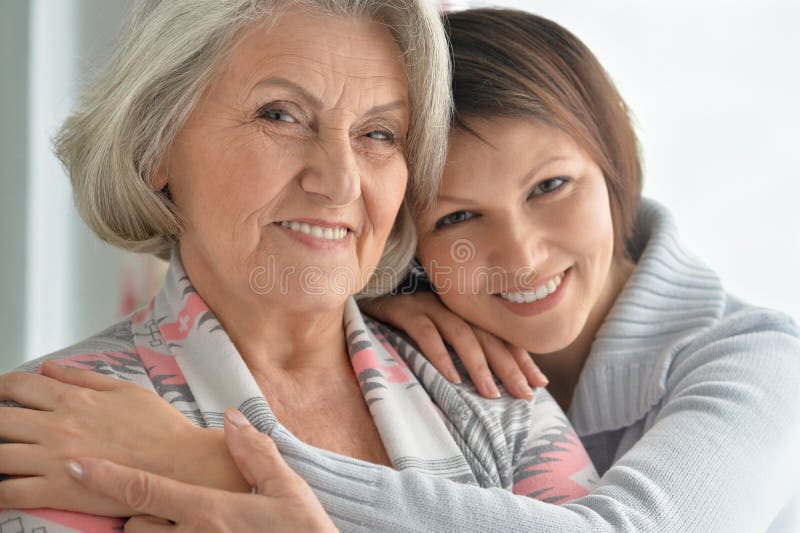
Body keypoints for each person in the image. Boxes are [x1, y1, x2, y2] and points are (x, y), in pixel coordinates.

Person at [0, 2, 598, 532]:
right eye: (281, 115)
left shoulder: (487, 388)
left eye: (379, 133)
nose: (339, 182)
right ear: (156, 145)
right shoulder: (54, 428)